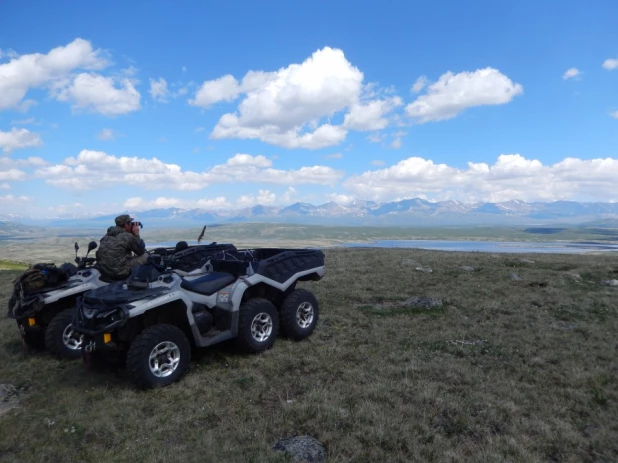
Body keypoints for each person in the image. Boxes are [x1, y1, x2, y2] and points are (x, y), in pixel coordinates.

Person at [96, 214, 148, 279]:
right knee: (145, 256)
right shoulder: (127, 236)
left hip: (104, 270)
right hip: (119, 272)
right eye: (130, 223)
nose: (132, 225)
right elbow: (140, 251)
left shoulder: (108, 235)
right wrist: (136, 234)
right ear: (126, 225)